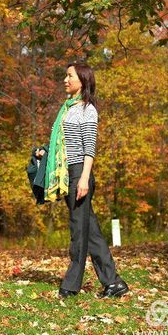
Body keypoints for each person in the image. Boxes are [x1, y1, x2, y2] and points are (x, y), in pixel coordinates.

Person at [45, 62, 129, 299]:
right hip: (68, 172)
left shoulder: (87, 110)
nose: (65, 79)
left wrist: (83, 179)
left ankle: (71, 285)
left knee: (78, 231)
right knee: (89, 231)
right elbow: (64, 145)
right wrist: (44, 152)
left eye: (69, 75)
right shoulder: (68, 108)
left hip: (80, 173)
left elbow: (89, 148)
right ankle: (113, 282)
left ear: (82, 80)